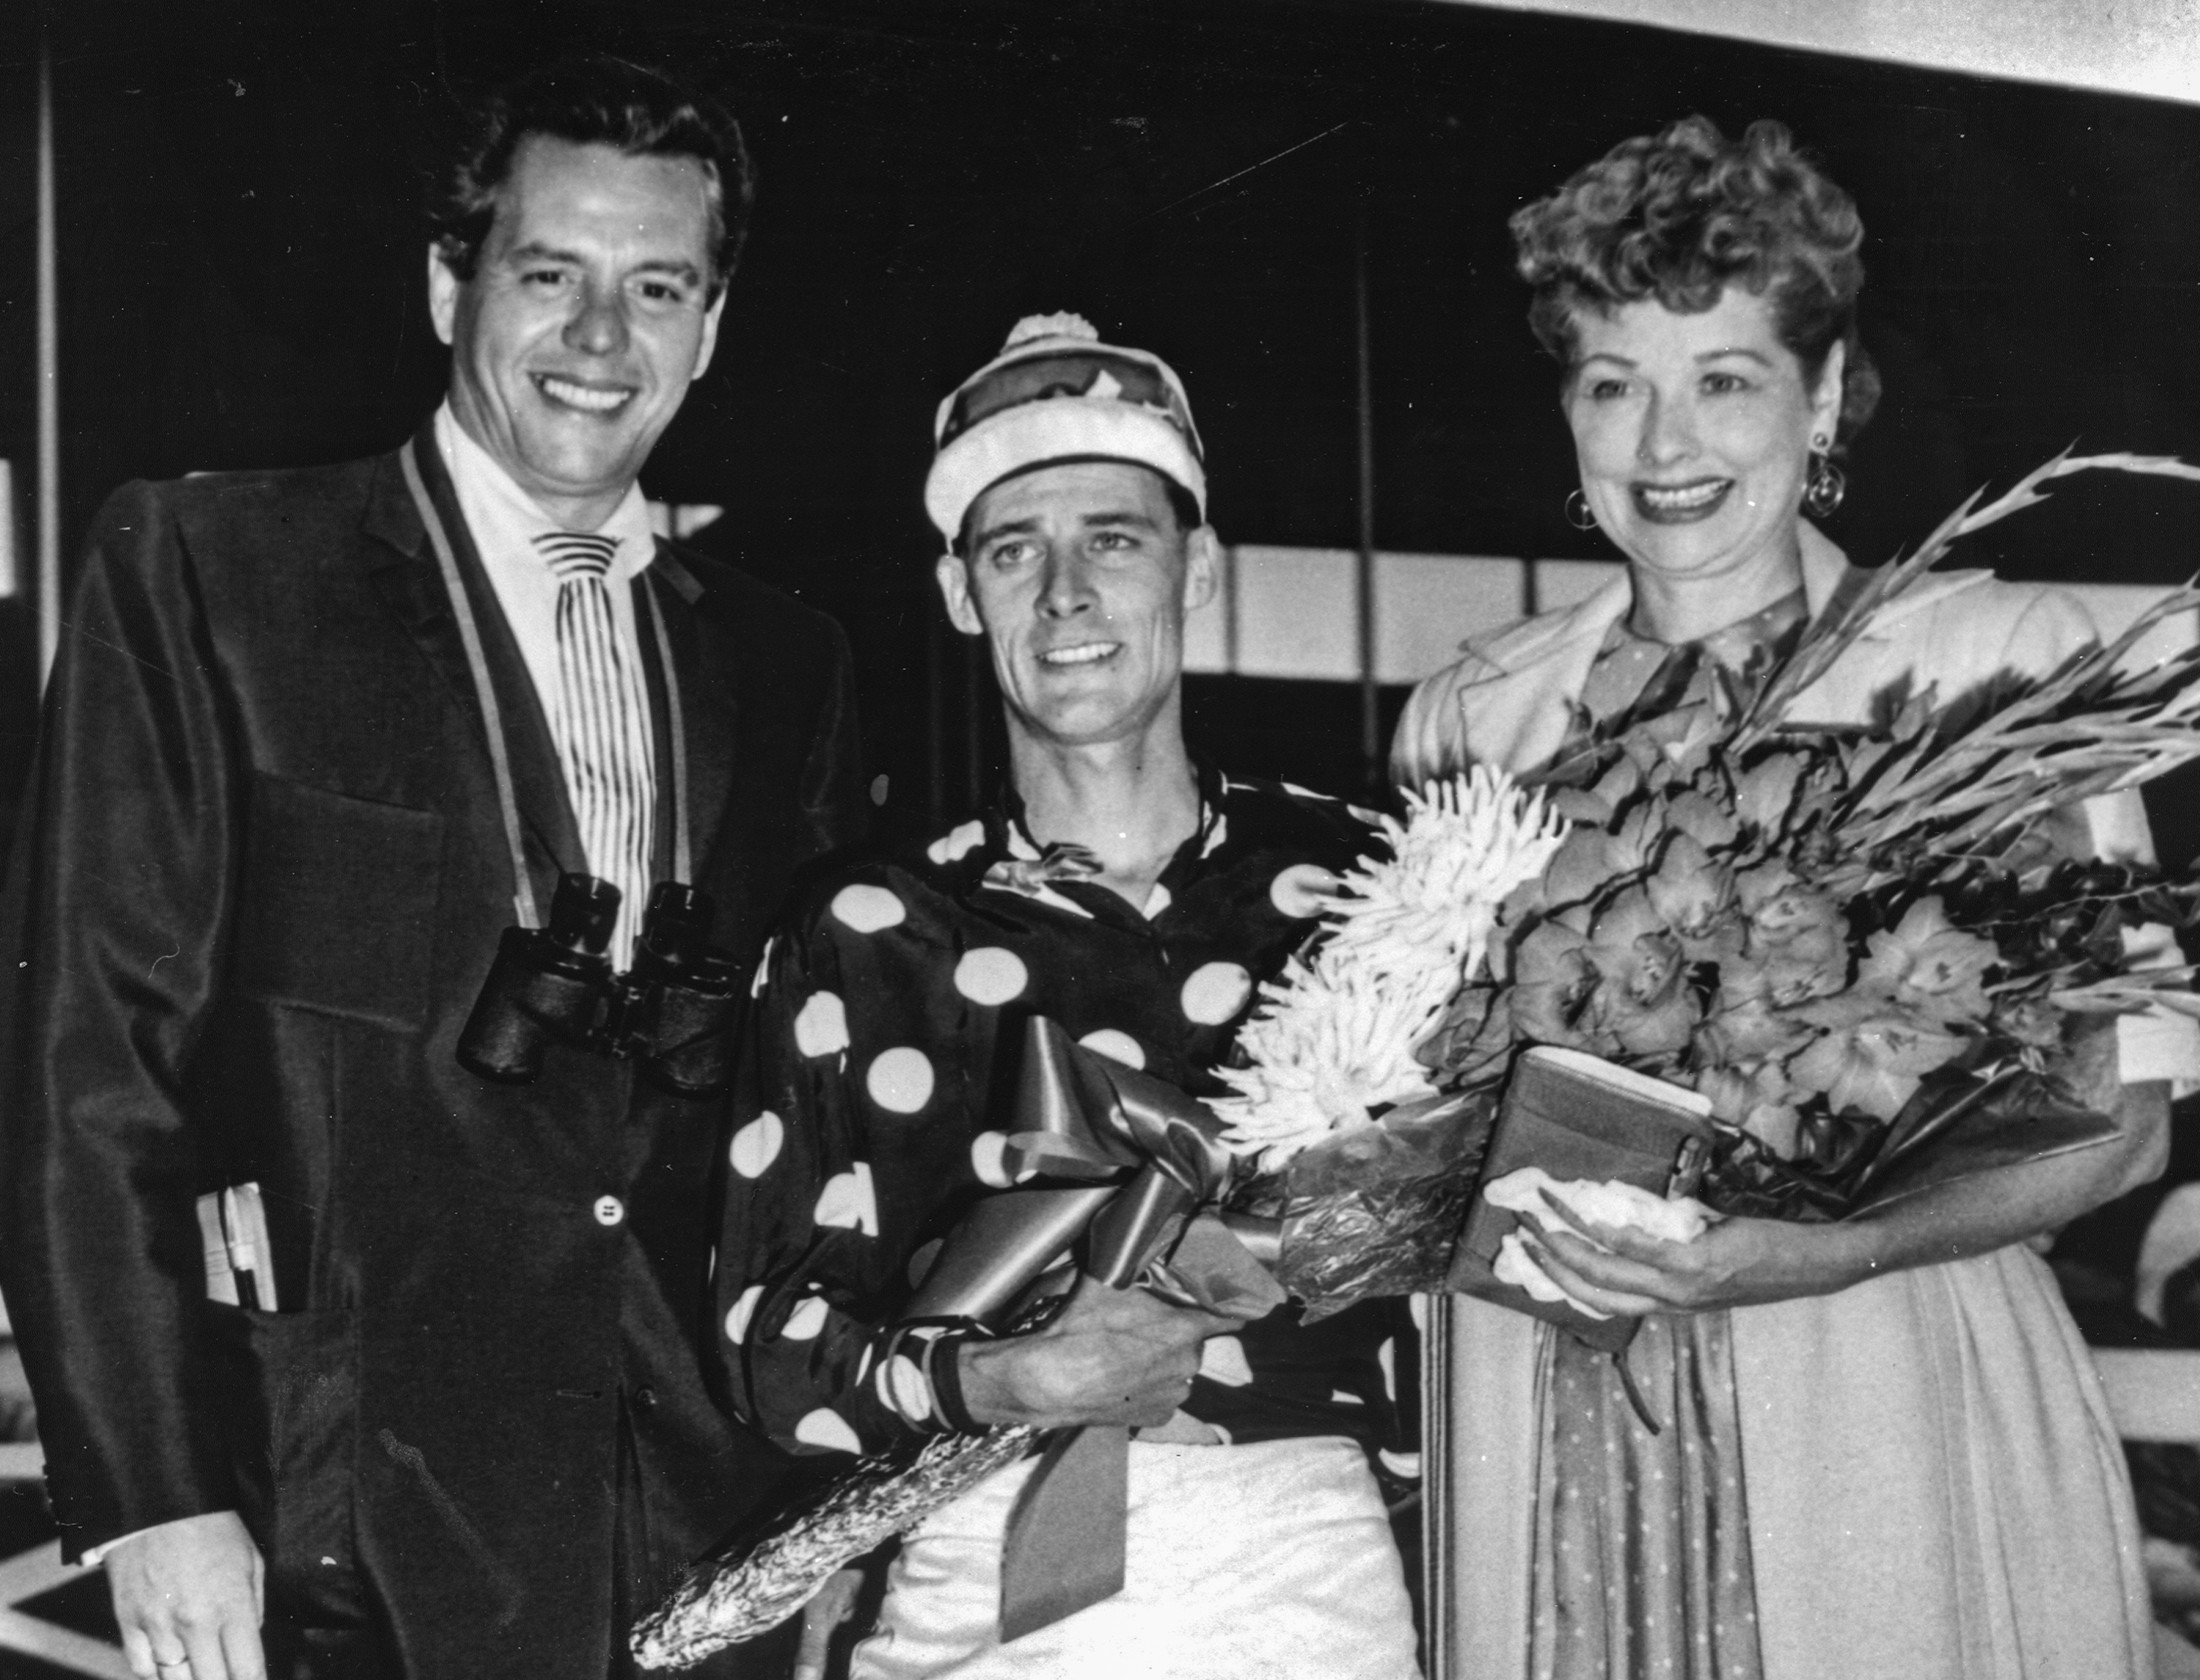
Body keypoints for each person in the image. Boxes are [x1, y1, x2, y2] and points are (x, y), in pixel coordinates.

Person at [0, 56, 864, 1680]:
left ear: (712, 326)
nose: (601, 341)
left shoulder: (782, 659)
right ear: (447, 282)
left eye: (656, 287)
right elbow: (89, 1065)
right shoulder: (212, 575)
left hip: (702, 1539)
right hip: (336, 1538)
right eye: (550, 275)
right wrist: (157, 1492)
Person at [1392, 116, 2193, 1680]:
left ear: (1821, 396)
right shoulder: (1469, 714)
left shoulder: (2000, 668)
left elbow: (2119, 1123)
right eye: (1612, 383)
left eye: (1724, 378)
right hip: (1541, 1397)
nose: (1662, 443)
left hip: (1880, 1382)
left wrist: (1818, 1253)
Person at [715, 315, 1423, 1680]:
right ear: (958, 594)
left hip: (1310, 1574)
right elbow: (766, 1342)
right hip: (977, 1568)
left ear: (1197, 565)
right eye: (1011, 549)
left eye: (1113, 537)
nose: (1063, 594)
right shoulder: (869, 928)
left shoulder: (1364, 887)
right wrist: (999, 1380)